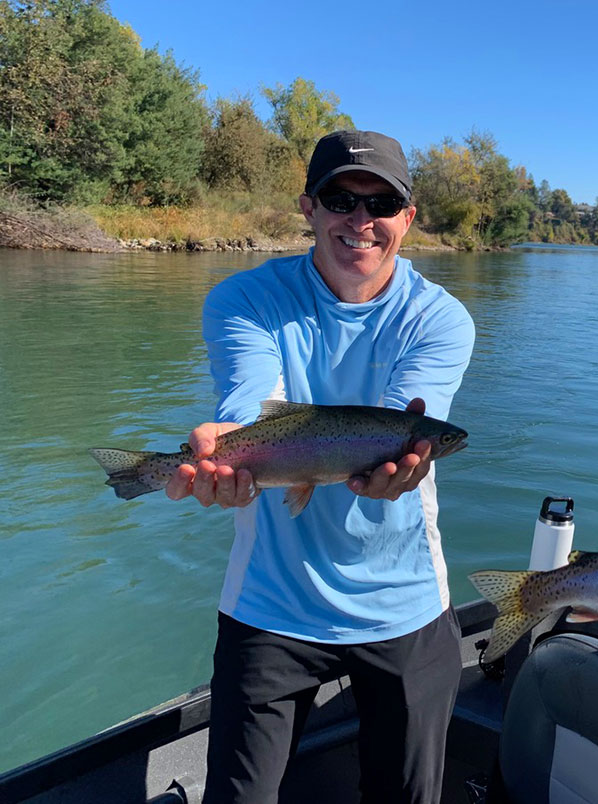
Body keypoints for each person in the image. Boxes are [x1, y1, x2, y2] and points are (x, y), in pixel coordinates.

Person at [164, 130, 476, 804]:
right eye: (341, 199)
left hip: (403, 607)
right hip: (269, 604)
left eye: (381, 203)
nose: (360, 221)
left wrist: (402, 463)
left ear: (408, 218)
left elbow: (403, 421)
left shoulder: (440, 319)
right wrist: (226, 449)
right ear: (308, 207)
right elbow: (251, 403)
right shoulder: (243, 301)